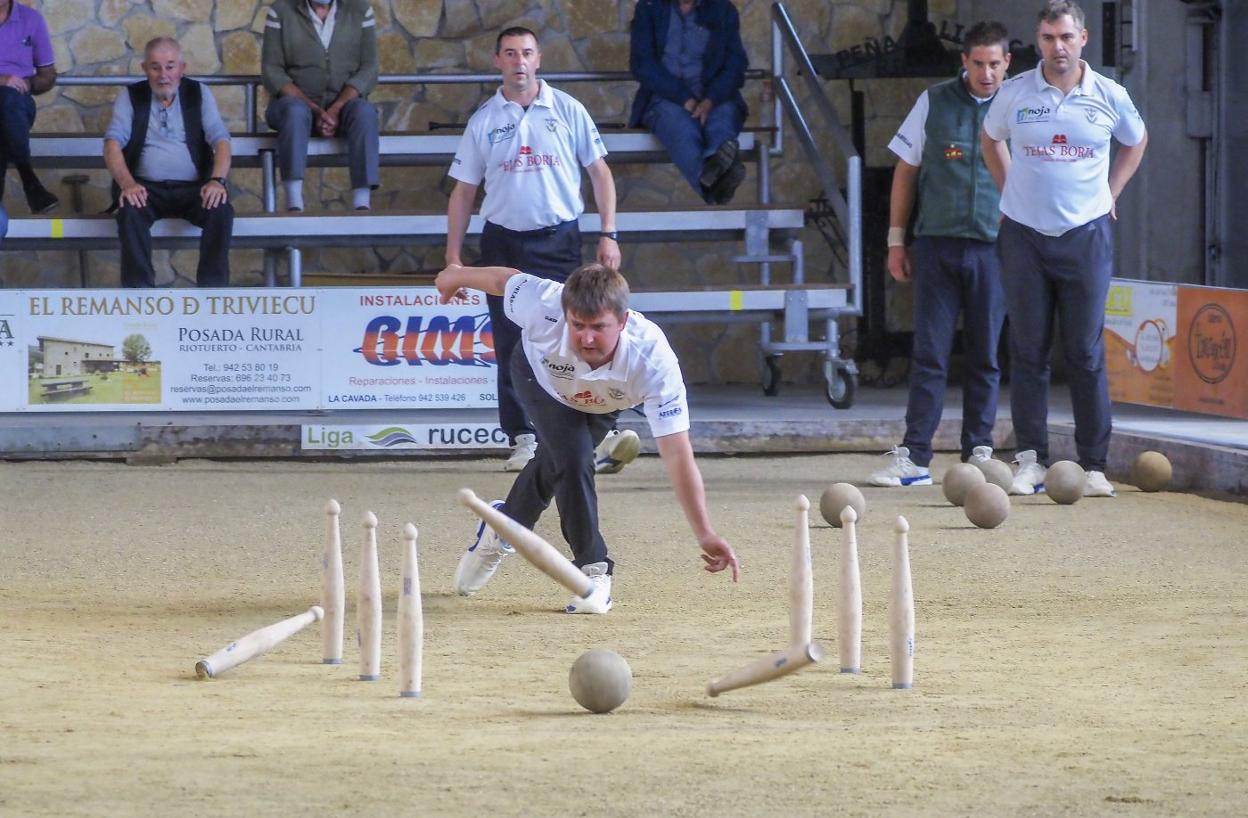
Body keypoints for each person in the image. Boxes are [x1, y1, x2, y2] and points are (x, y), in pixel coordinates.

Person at [435, 261, 739, 614]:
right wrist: (456, 275)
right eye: (577, 325)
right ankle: (593, 571)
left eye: (599, 327)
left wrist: (704, 533)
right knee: (573, 458)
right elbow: (505, 280)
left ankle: (501, 527)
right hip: (540, 379)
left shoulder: (654, 363)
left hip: (603, 401)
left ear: (623, 322)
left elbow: (677, 455)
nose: (586, 338)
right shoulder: (545, 304)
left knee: (558, 460)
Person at [446, 27, 633, 474]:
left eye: (526, 53)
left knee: (578, 336)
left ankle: (596, 432)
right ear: (498, 62)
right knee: (511, 343)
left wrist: (609, 233)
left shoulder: (568, 110)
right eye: (510, 54)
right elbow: (463, 193)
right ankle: (522, 438)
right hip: (503, 243)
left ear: (539, 58)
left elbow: (600, 173)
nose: (519, 62)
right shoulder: (484, 120)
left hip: (560, 241)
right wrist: (454, 259)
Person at [981, 0, 1147, 498]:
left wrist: (1112, 194)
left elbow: (1136, 141)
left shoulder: (1110, 94)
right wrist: (1009, 189)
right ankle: (1030, 460)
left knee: (1085, 353)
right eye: (1049, 38)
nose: (1058, 47)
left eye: (1066, 37)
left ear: (1083, 38)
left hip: (1087, 234)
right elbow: (991, 140)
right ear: (1038, 42)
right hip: (1025, 237)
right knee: (1028, 352)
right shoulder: (1014, 94)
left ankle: (1094, 465)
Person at [869, 22, 1011, 488]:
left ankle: (980, 452)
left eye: (995, 64)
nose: (986, 73)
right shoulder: (933, 101)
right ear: (963, 63)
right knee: (930, 353)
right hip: (936, 245)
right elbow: (906, 171)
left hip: (996, 249)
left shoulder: (1022, 107)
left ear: (1007, 63)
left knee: (986, 354)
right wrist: (895, 240)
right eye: (978, 64)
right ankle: (915, 458)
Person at [104, 37, 233, 288]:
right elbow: (112, 144)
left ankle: (213, 292)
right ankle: (139, 297)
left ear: (182, 68)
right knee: (130, 212)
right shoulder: (130, 96)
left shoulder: (199, 93)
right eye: (155, 67)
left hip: (194, 188)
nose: (163, 75)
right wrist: (127, 184)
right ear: (144, 69)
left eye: (170, 66)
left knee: (221, 210)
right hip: (145, 188)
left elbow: (221, 141)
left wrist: (217, 181)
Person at [261, 0, 379, 212]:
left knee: (365, 112)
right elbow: (272, 71)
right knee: (295, 112)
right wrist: (315, 110)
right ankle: (294, 202)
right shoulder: (280, 11)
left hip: (345, 106)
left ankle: (362, 202)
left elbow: (369, 68)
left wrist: (336, 108)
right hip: (293, 105)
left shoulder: (360, 9)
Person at [628, 0, 749, 204]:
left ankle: (716, 164)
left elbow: (736, 64)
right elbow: (642, 64)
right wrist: (685, 99)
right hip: (665, 99)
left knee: (722, 122)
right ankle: (715, 184)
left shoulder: (723, 10)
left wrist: (710, 100)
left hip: (715, 98)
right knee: (682, 130)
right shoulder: (649, 8)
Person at [0, 0, 58, 214]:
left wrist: (28, 83)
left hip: (18, 105)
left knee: (8, 101)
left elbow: (48, 75)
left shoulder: (31, 19)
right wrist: (2, 79)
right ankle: (29, 179)